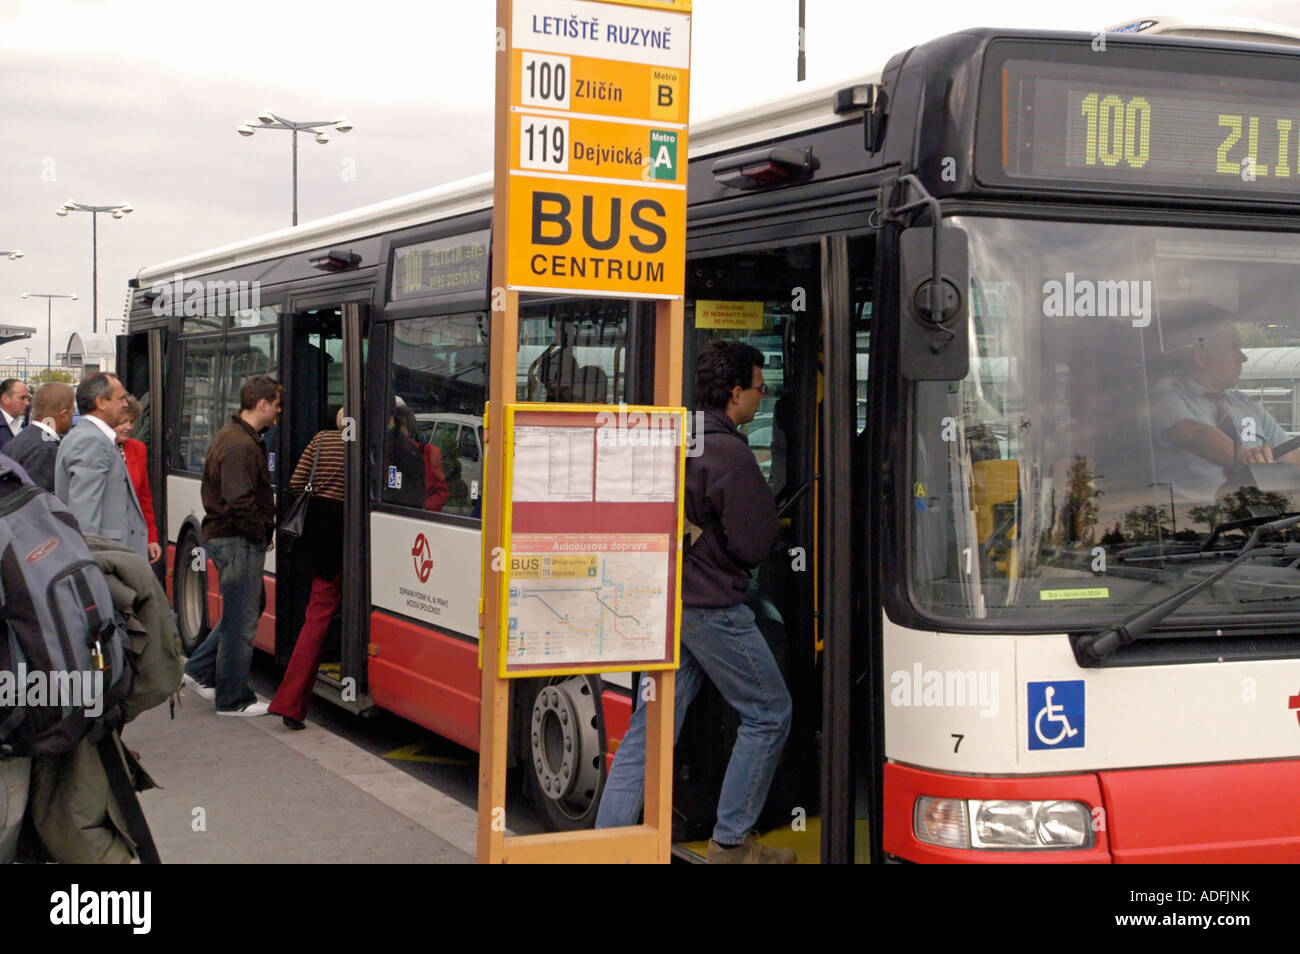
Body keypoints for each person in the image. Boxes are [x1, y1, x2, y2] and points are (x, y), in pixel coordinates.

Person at [595, 340, 795, 863]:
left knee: (652, 727)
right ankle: (730, 843)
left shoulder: (674, 438)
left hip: (668, 603)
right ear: (735, 393)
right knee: (769, 712)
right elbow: (755, 541)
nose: (762, 396)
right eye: (758, 387)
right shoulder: (729, 452)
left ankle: (605, 843)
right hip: (712, 609)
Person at [182, 375, 281, 717]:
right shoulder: (241, 445)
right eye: (276, 404)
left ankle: (197, 670)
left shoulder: (236, 436)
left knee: (248, 606)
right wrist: (258, 533)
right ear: (262, 404)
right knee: (242, 619)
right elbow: (240, 501)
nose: (279, 411)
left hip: (231, 537)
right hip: (236, 539)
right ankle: (233, 699)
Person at [1151, 304, 1300, 500]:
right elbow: (1193, 433)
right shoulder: (1164, 395)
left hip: (1259, 519)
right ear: (1201, 357)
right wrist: (1246, 457)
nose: (1244, 358)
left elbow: (1290, 456)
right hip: (1193, 522)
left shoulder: (1248, 406)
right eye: (1234, 348)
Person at [269, 407, 348, 731]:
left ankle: (292, 702)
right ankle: (289, 702)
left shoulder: (321, 440)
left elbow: (296, 482)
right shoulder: (366, 446)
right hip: (345, 534)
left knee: (315, 616)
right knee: (319, 620)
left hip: (317, 534)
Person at [53, 373, 148, 560]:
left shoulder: (90, 437)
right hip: (108, 561)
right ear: (101, 402)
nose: (126, 404)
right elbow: (85, 516)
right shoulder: (92, 441)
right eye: (120, 399)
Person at [114, 394, 162, 563]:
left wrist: (151, 538)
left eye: (132, 422)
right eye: (122, 422)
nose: (128, 427)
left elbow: (144, 498)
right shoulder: (98, 447)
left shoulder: (138, 449)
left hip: (134, 537)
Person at [5, 381, 74, 491]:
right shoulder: (45, 449)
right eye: (72, 412)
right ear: (64, 415)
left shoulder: (21, 438)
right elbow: (39, 502)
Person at [388, 403, 449, 511]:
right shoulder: (386, 451)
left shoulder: (428, 453)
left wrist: (424, 508)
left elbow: (441, 492)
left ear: (405, 430)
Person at [0, 378, 31, 451]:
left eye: (28, 399)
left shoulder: (22, 425)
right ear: (5, 398)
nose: (27, 403)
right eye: (22, 398)